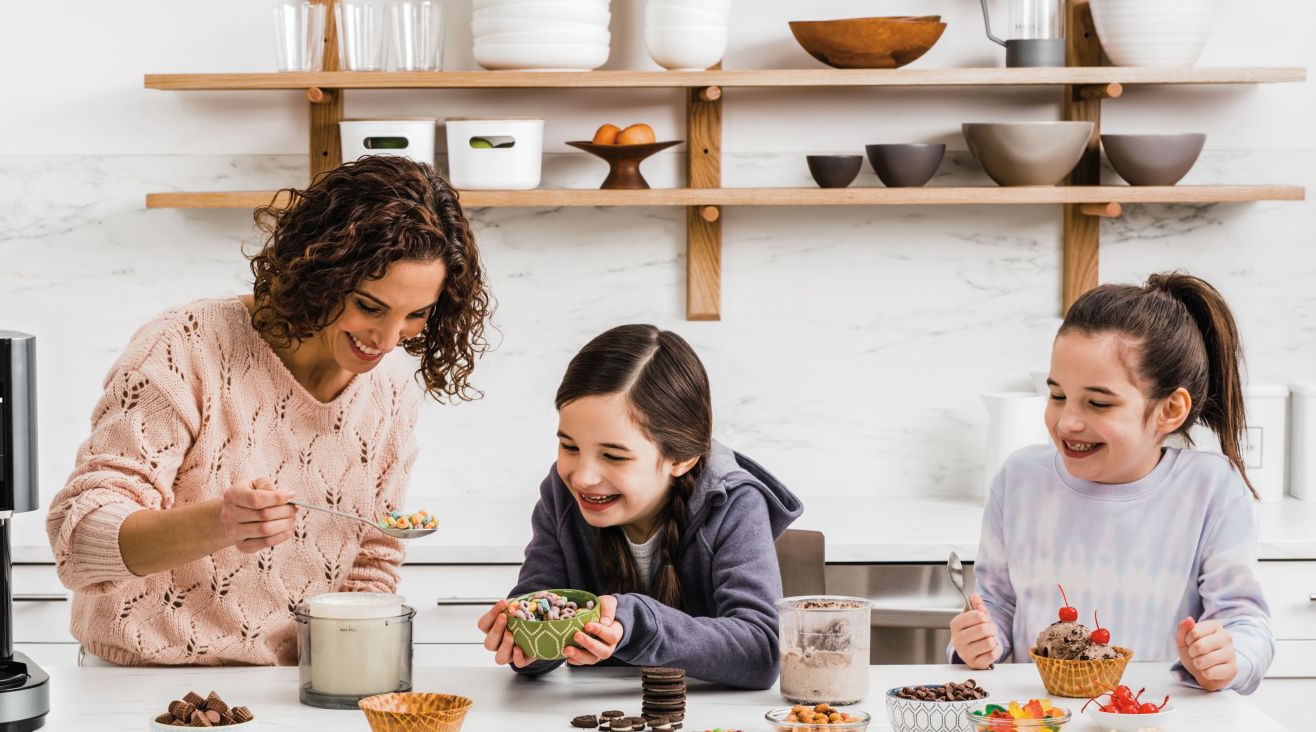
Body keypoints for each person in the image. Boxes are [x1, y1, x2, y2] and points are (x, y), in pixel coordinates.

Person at [47, 156, 492, 665]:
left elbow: (373, 555)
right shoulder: (185, 348)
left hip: (289, 683)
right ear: (323, 273)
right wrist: (221, 524)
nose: (389, 340)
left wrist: (350, 672)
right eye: (369, 307)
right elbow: (78, 543)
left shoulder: (389, 390)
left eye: (416, 315)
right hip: (139, 680)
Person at [950, 272, 1274, 693]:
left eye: (1099, 403)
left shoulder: (1210, 488)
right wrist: (976, 641)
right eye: (1057, 395)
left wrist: (1228, 658)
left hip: (1156, 718)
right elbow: (996, 604)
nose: (1067, 422)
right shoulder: (1020, 479)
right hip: (1042, 718)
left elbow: (1245, 622)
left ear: (1170, 410)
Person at [476, 324, 802, 689]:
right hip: (590, 716)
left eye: (613, 456)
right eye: (570, 447)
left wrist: (639, 624)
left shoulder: (734, 502)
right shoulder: (561, 495)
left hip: (707, 717)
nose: (582, 477)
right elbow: (541, 608)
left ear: (681, 457)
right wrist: (527, 639)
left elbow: (761, 651)